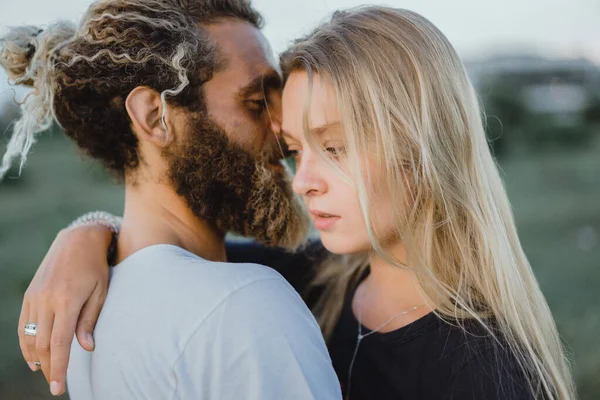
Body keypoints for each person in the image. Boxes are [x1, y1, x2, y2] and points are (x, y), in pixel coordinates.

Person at [14, 5, 576, 400]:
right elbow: (169, 255)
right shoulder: (306, 280)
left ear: (422, 145)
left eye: (333, 147)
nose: (301, 180)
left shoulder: (490, 372)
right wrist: (86, 235)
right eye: (295, 148)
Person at [0, 0, 342, 398]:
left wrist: (89, 228)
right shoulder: (245, 304)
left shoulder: (83, 315)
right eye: (255, 103)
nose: (283, 132)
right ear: (153, 116)